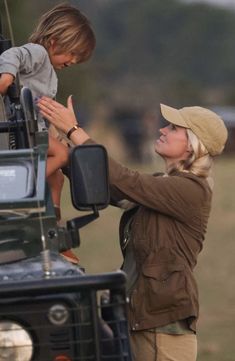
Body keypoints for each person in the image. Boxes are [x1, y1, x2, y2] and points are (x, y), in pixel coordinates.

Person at [37, 95, 227, 361]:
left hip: (163, 328)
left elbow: (127, 181)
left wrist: (74, 131)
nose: (162, 129)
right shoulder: (162, 184)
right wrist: (66, 148)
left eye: (173, 129)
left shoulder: (191, 190)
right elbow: (112, 187)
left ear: (192, 146)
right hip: (139, 317)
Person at [0, 2, 96, 222]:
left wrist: (55, 131)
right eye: (72, 54)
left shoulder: (50, 73)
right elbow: (13, 55)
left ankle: (51, 220)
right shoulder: (39, 53)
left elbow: (43, 108)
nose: (73, 61)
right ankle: (18, 186)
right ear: (54, 43)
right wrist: (7, 76)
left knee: (57, 178)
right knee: (62, 155)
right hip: (24, 131)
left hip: (35, 130)